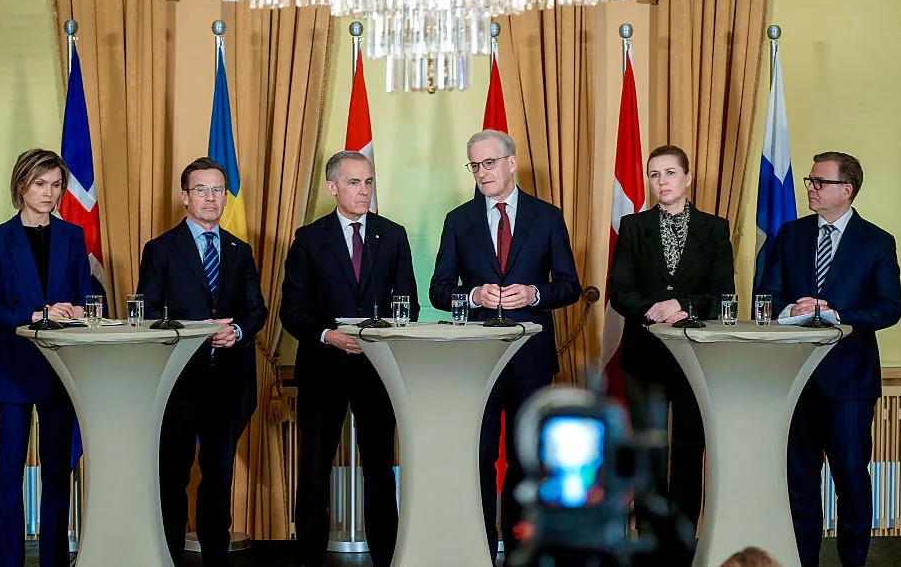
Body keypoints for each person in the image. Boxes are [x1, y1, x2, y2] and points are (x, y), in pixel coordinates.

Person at [429, 129, 582, 561]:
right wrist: (472, 295)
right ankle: (478, 546)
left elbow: (569, 286)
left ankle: (519, 550)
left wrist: (534, 294)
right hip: (476, 359)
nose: (482, 173)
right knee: (477, 457)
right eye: (474, 166)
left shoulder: (547, 217)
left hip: (530, 359)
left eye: (489, 163)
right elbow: (438, 290)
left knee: (525, 460)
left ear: (511, 163)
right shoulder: (458, 220)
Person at [759, 151, 901, 567]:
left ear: (847, 190)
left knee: (852, 482)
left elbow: (889, 308)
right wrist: (792, 311)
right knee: (798, 484)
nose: (810, 188)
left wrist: (836, 315)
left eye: (819, 182)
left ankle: (853, 562)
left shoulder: (877, 241)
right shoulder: (789, 234)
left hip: (848, 385)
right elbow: (767, 296)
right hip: (793, 380)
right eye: (809, 181)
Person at [280, 150, 419, 567]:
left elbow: (408, 305)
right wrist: (329, 336)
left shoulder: (392, 235)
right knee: (315, 469)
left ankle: (387, 557)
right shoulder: (309, 238)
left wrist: (379, 333)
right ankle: (308, 557)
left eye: (369, 182)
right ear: (332, 187)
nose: (364, 191)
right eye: (355, 182)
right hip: (323, 368)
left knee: (379, 469)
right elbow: (292, 310)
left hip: (377, 370)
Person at [138, 157, 268, 567]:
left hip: (228, 386)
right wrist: (195, 331)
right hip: (178, 384)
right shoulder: (160, 249)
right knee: (172, 481)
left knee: (218, 481)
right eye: (201, 190)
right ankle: (169, 558)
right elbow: (148, 313)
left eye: (218, 190)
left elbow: (255, 310)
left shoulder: (239, 250)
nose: (211, 198)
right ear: (184, 197)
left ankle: (216, 558)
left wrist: (238, 332)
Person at [607, 145, 734, 538]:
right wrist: (655, 309)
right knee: (649, 449)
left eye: (670, 173)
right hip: (644, 355)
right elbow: (621, 292)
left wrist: (683, 305)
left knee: (688, 448)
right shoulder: (633, 226)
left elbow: (724, 294)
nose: (662, 182)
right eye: (655, 174)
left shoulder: (715, 228)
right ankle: (649, 537)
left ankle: (682, 535)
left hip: (695, 355)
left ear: (687, 178)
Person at [0, 148, 92, 567]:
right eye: (41, 183)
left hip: (61, 367)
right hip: (13, 366)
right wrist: (36, 313)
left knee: (57, 471)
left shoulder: (72, 237)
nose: (50, 192)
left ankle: (54, 561)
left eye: (57, 184)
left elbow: (84, 298)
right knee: (8, 471)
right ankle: (4, 562)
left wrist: (81, 310)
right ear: (21, 185)